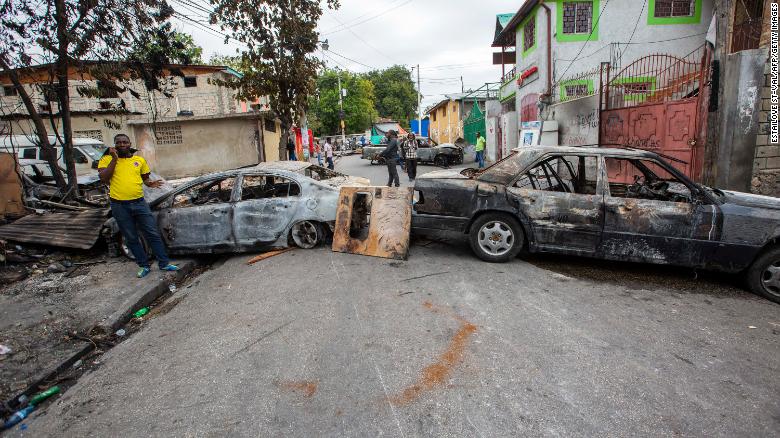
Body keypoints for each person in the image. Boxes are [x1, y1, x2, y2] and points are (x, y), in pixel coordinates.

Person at [98, 134, 179, 278]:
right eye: (119, 142)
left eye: (125, 142)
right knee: (131, 237)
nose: (122, 145)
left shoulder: (139, 160)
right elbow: (104, 178)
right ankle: (144, 265)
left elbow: (145, 179)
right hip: (119, 205)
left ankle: (164, 263)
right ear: (114, 145)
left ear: (130, 144)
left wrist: (151, 184)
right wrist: (115, 159)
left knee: (152, 233)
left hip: (139, 203)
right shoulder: (106, 159)